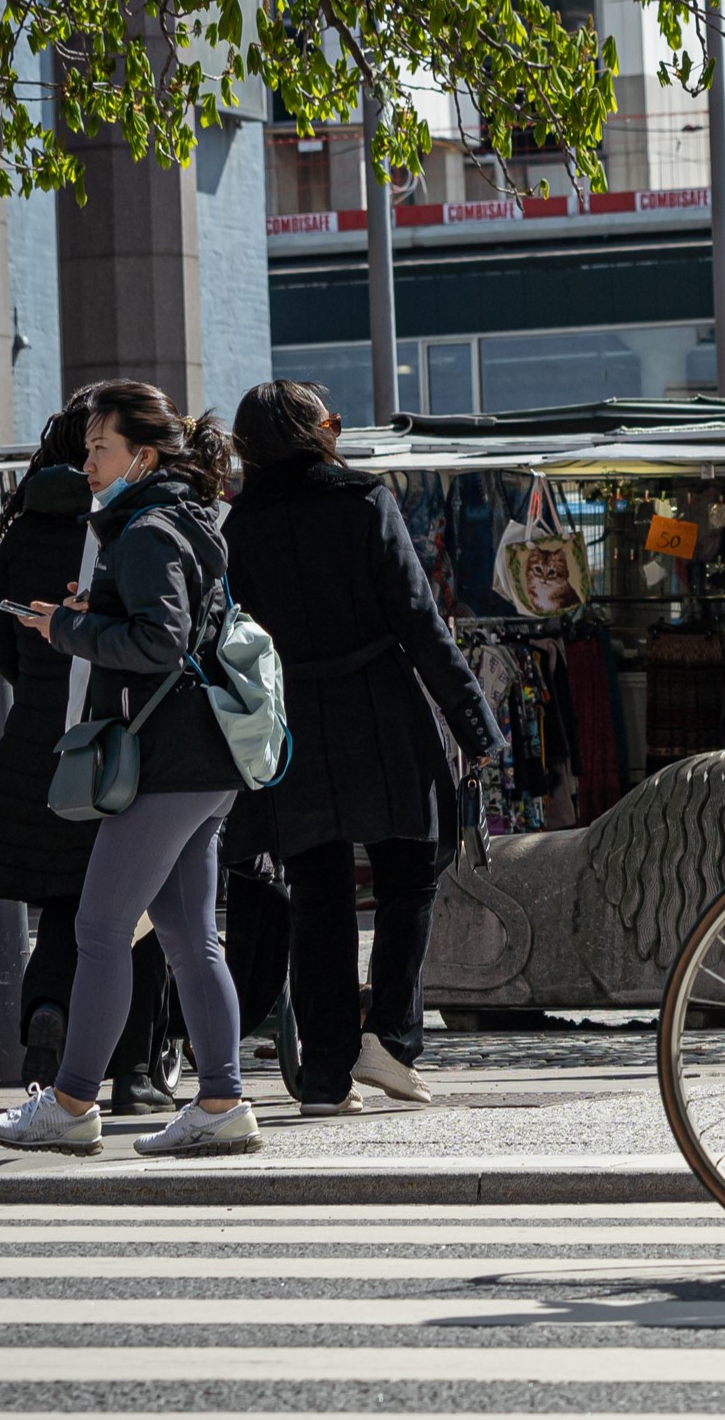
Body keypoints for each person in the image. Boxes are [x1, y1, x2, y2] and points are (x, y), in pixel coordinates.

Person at [0, 382, 260, 1158]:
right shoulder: (182, 518)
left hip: (168, 762)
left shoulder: (144, 530)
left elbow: (159, 643)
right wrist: (84, 619)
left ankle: (69, 1105)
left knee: (100, 926)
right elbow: (163, 631)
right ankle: (223, 1100)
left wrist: (69, 627)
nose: (88, 461)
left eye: (100, 447)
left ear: (144, 452)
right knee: (187, 935)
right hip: (202, 760)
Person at [224, 379, 507, 1116]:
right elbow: (422, 624)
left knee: (316, 894)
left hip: (289, 728)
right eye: (333, 422)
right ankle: (390, 1035)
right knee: (411, 871)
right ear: (317, 432)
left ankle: (324, 1076)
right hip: (381, 708)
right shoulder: (362, 503)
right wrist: (476, 729)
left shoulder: (239, 527)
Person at [0, 400, 172, 1108]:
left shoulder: (24, 527)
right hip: (118, 736)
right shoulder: (128, 522)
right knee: (139, 905)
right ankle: (136, 1069)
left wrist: (38, 687)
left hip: (38, 743)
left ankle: (45, 1010)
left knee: (66, 902)